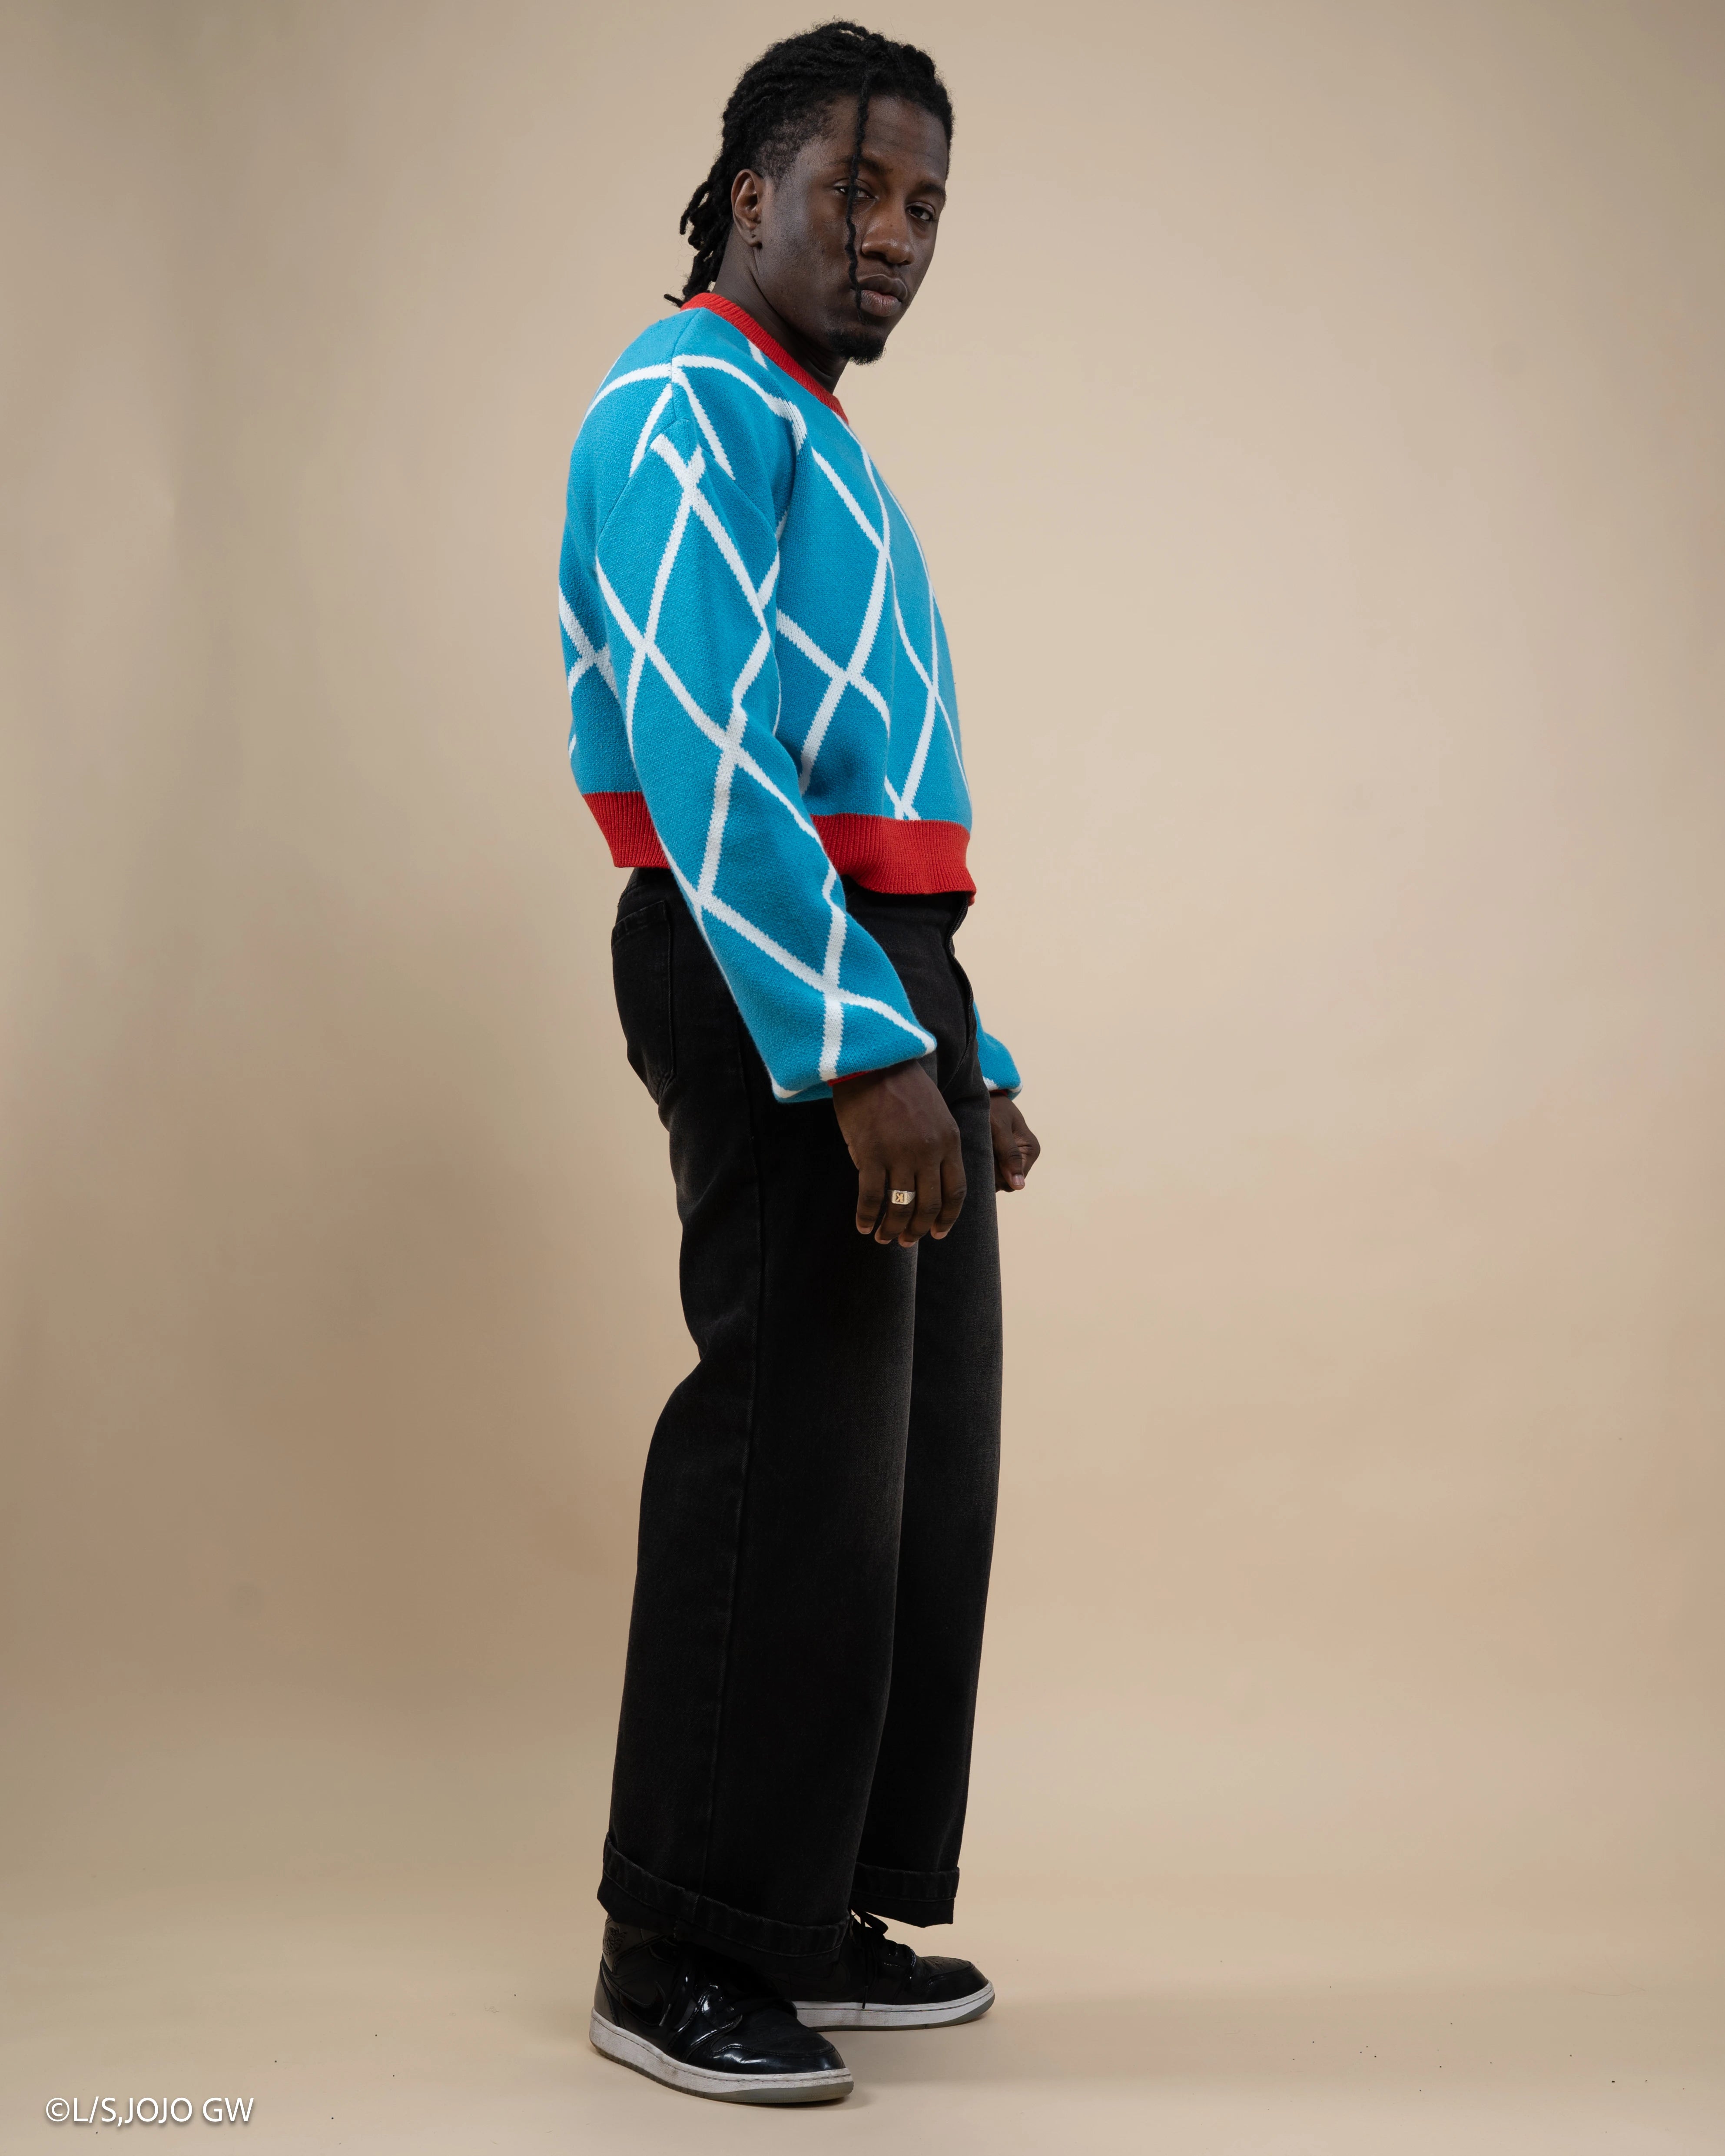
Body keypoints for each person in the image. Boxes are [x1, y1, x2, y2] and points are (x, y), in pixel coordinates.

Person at [556, 20, 1041, 2105]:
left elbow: (873, 784)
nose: (895, 234)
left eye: (924, 202)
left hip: (874, 964)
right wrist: (853, 1045)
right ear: (749, 192)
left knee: (905, 1460)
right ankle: (674, 1935)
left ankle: (807, 1898)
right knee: (786, 1440)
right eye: (857, 188)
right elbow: (705, 739)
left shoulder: (809, 430)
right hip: (760, 956)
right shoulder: (680, 398)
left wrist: (961, 1044)